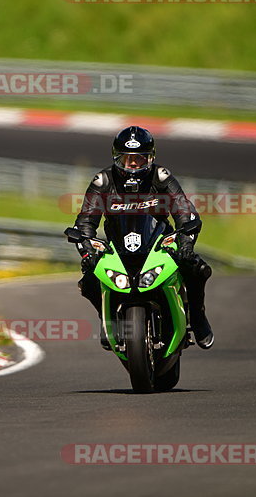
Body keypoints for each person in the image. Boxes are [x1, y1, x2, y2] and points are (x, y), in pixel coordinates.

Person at [73, 126, 214, 350]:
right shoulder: (103, 182)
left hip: (159, 244)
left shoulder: (161, 177)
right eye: (127, 160)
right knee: (89, 279)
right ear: (117, 158)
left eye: (140, 159)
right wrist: (88, 250)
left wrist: (186, 242)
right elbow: (85, 222)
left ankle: (197, 316)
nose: (134, 165)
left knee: (196, 268)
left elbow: (183, 210)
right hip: (117, 249)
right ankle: (106, 318)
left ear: (150, 158)